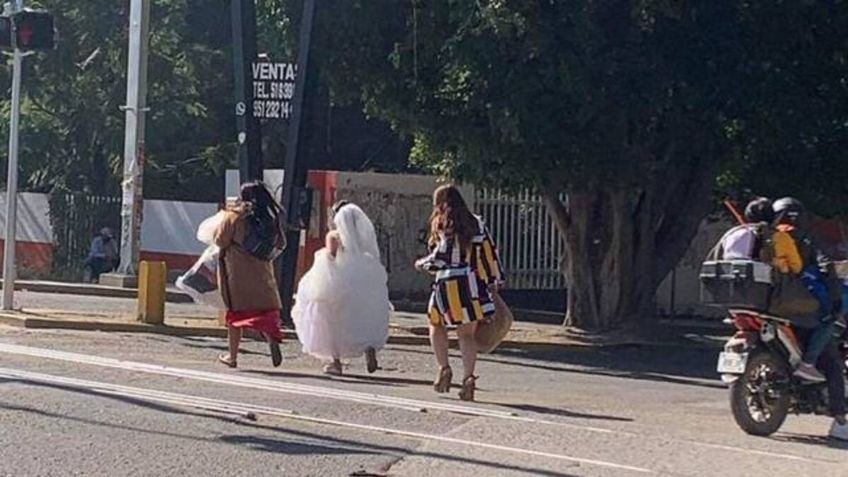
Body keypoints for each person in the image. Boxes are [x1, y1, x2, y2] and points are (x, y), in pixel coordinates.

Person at [415, 185, 504, 401]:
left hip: (448, 283)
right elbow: (490, 253)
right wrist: (494, 280)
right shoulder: (477, 222)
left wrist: (422, 264)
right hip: (472, 284)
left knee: (436, 324)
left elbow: (442, 256)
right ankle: (468, 378)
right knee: (467, 334)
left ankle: (444, 368)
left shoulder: (444, 223)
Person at [292, 201, 391, 376]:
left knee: (332, 322)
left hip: (338, 285)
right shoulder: (361, 238)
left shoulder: (334, 236)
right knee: (361, 317)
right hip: (362, 281)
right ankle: (369, 348)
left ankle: (335, 362)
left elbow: (331, 257)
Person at [214, 180, 287, 369]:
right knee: (265, 309)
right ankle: (271, 336)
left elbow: (220, 240)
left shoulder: (235, 217)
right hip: (263, 270)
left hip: (238, 272)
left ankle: (232, 356)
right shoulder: (270, 217)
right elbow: (281, 243)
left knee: (236, 314)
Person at [771, 197, 842, 382]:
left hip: (771, 295)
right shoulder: (805, 238)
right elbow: (822, 265)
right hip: (798, 294)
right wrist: (834, 296)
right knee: (830, 317)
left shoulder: (766, 235)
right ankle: (808, 363)